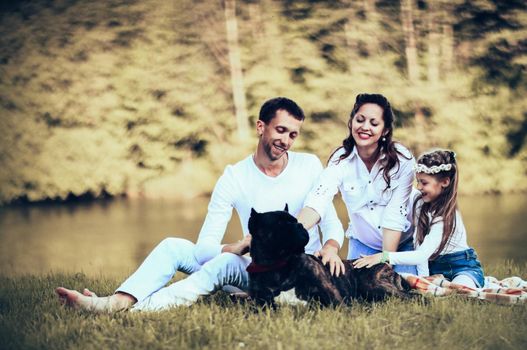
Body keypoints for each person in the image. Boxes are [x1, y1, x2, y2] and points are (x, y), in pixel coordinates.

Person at [56, 97, 344, 311]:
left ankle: (127, 313)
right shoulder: (234, 176)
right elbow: (205, 247)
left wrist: (331, 246)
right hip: (254, 268)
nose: (286, 140)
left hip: (296, 273)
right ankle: (118, 301)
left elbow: (329, 219)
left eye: (293, 134)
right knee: (173, 246)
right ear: (261, 127)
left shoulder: (308, 166)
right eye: (281, 130)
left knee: (225, 265)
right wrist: (238, 246)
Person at [297, 93, 417, 276]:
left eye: (374, 123)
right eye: (360, 120)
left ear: (385, 130)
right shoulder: (340, 160)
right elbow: (318, 200)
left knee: (405, 287)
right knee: (356, 297)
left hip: (401, 245)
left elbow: (395, 214)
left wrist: (386, 262)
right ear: (352, 122)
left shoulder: (403, 160)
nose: (365, 127)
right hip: (363, 245)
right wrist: (289, 232)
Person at [353, 149, 485, 289]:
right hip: (436, 268)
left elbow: (421, 255)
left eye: (424, 183)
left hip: (462, 266)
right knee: (428, 288)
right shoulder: (420, 203)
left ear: (445, 182)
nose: (419, 187)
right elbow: (418, 244)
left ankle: (475, 281)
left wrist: (383, 256)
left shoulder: (446, 218)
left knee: (460, 290)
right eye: (418, 182)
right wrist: (424, 279)